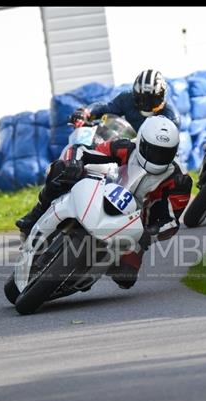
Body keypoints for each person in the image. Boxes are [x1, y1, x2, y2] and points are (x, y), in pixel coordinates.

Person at [16, 116, 192, 290]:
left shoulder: (179, 180)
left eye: (164, 153)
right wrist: (74, 162)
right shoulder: (125, 147)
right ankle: (35, 215)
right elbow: (87, 151)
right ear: (141, 142)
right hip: (101, 193)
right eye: (153, 150)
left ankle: (82, 274)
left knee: (125, 277)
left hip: (136, 226)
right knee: (60, 171)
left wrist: (150, 234)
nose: (157, 157)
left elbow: (171, 221)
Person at [68, 69, 181, 132]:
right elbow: (105, 109)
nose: (146, 103)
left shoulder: (171, 117)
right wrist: (86, 113)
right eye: (142, 98)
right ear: (135, 94)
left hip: (156, 157)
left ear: (161, 97)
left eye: (150, 99)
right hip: (127, 148)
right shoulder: (127, 99)